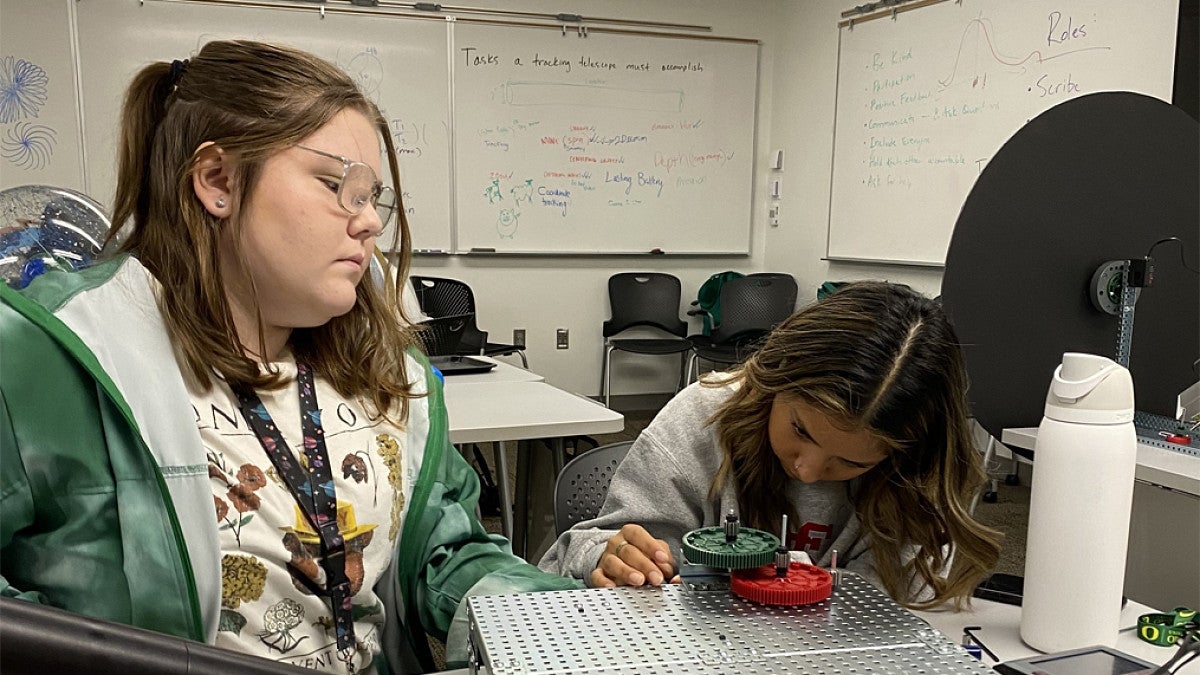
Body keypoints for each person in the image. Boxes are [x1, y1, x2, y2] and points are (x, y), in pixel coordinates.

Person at [0, 40, 578, 674]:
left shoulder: (386, 375)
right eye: (337, 187)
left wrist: (567, 616)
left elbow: (444, 555)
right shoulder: (48, 357)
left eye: (372, 198)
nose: (368, 225)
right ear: (218, 180)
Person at [540, 281, 1002, 609]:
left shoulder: (914, 477)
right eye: (801, 430)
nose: (806, 470)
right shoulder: (702, 419)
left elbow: (903, 608)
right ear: (774, 377)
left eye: (848, 461)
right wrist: (605, 557)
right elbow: (570, 555)